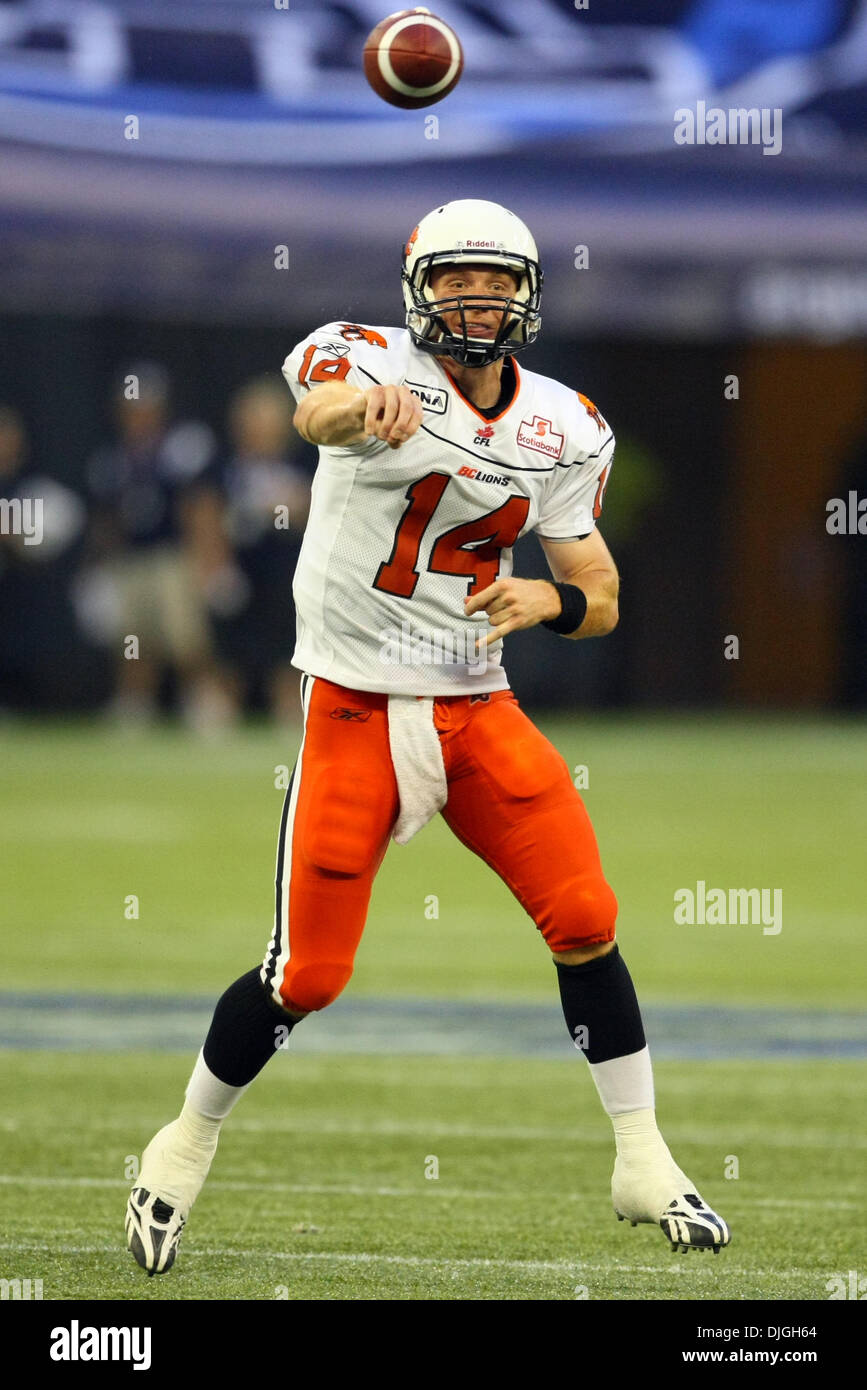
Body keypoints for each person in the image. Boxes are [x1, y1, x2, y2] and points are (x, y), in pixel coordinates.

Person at [126, 200, 729, 1276]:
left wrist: (548, 602)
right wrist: (363, 412)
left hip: (474, 702)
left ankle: (640, 1155)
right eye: (456, 280)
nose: (477, 299)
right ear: (418, 288)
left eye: (497, 281)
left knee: (586, 916)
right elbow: (316, 413)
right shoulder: (362, 357)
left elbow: (601, 593)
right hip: (353, 704)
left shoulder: (563, 423)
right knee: (307, 974)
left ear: (529, 296)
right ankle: (183, 1142)